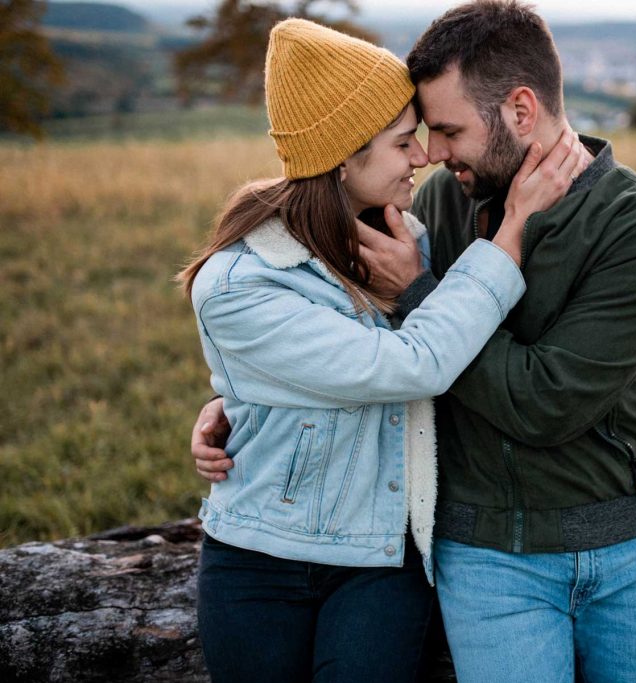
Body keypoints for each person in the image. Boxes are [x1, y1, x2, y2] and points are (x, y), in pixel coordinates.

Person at [179, 16, 584, 683]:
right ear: (343, 157)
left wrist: (237, 398)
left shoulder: (410, 245)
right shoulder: (237, 283)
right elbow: (411, 363)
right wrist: (511, 231)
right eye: (402, 143)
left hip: (384, 558)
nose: (423, 157)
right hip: (260, 558)